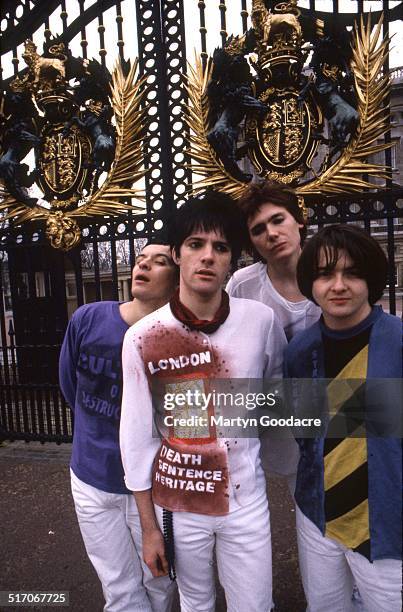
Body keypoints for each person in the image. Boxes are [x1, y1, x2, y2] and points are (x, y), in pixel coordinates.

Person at [120, 190, 287, 612]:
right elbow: (137, 438)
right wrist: (149, 529)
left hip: (246, 502)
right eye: (196, 244)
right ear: (177, 253)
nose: (208, 256)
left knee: (255, 605)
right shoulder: (142, 337)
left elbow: (278, 402)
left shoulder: (261, 322)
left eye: (221, 247)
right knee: (196, 605)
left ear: (233, 259)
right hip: (180, 504)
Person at [285, 224, 402, 611]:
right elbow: (305, 434)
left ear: (370, 280)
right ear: (310, 284)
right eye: (325, 274)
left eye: (351, 273)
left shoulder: (398, 341)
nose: (338, 285)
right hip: (317, 515)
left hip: (388, 523)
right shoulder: (300, 351)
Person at [59, 241, 178, 612]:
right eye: (140, 260)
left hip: (152, 483)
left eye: (158, 262)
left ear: (176, 281)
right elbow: (69, 385)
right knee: (119, 587)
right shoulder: (88, 318)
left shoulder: (176, 339)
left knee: (160, 581)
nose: (143, 266)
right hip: (91, 478)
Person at [226, 181, 321, 485]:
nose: (271, 233)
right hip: (271, 417)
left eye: (278, 219)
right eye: (258, 229)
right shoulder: (243, 285)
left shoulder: (332, 272)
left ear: (299, 220)